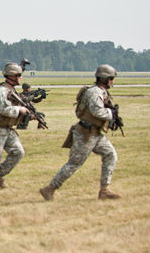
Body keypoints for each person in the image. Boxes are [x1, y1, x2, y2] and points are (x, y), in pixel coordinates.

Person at [40, 65, 122, 201]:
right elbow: (97, 112)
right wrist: (111, 113)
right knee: (74, 164)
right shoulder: (95, 93)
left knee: (110, 154)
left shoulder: (101, 91)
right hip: (86, 133)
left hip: (95, 133)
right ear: (105, 79)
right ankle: (49, 189)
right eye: (111, 78)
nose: (113, 81)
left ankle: (104, 190)